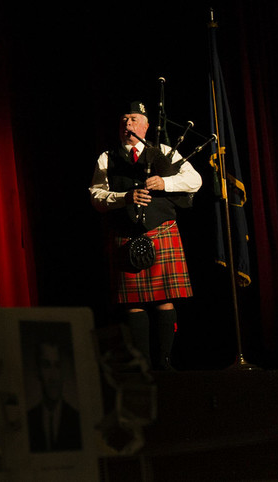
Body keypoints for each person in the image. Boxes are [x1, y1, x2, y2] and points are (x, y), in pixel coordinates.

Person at [89, 102, 202, 370]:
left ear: (146, 125)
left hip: (161, 231)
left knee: (164, 300)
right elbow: (96, 197)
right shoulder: (107, 157)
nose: (127, 125)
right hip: (126, 235)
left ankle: (165, 364)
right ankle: (143, 367)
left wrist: (166, 183)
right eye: (123, 120)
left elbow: (195, 181)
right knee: (133, 303)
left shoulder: (163, 151)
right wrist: (124, 198)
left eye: (134, 119)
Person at [25, 340, 81, 452]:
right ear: (37, 371)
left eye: (58, 366)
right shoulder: (28, 420)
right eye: (46, 366)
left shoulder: (78, 421)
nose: (53, 377)